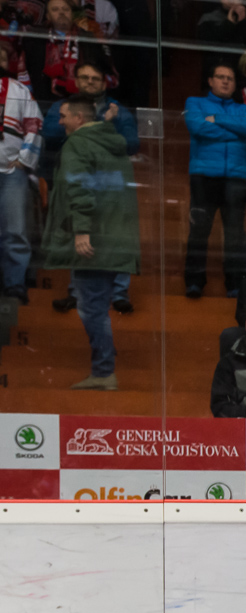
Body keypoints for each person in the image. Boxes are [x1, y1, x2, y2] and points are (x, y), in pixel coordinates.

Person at [43, 94, 137, 391]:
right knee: (97, 307)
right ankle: (104, 362)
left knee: (92, 309)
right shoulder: (110, 141)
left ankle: (104, 371)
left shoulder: (79, 143)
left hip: (93, 243)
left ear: (79, 118)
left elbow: (79, 187)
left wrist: (81, 231)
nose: (60, 122)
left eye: (63, 116)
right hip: (115, 240)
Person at [43, 59, 135, 314]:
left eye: (96, 79)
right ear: (76, 81)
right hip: (76, 174)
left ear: (104, 83)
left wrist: (105, 125)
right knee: (79, 228)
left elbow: (131, 143)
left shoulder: (118, 109)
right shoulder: (63, 107)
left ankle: (119, 293)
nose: (90, 83)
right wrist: (92, 124)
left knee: (116, 232)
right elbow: (49, 134)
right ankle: (76, 291)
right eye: (85, 78)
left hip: (110, 182)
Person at [184, 62, 246, 297]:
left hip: (235, 177)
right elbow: (197, 128)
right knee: (199, 231)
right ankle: (194, 282)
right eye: (220, 77)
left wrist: (216, 118)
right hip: (204, 176)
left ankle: (234, 283)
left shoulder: (243, 108)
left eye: (230, 78)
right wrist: (235, 131)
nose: (226, 81)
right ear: (210, 81)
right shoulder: (194, 102)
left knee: (235, 234)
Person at [0, 40, 42, 304]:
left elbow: (34, 125)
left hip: (11, 171)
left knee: (15, 230)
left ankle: (14, 283)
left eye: (2, 58)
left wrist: (25, 160)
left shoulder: (19, 90)